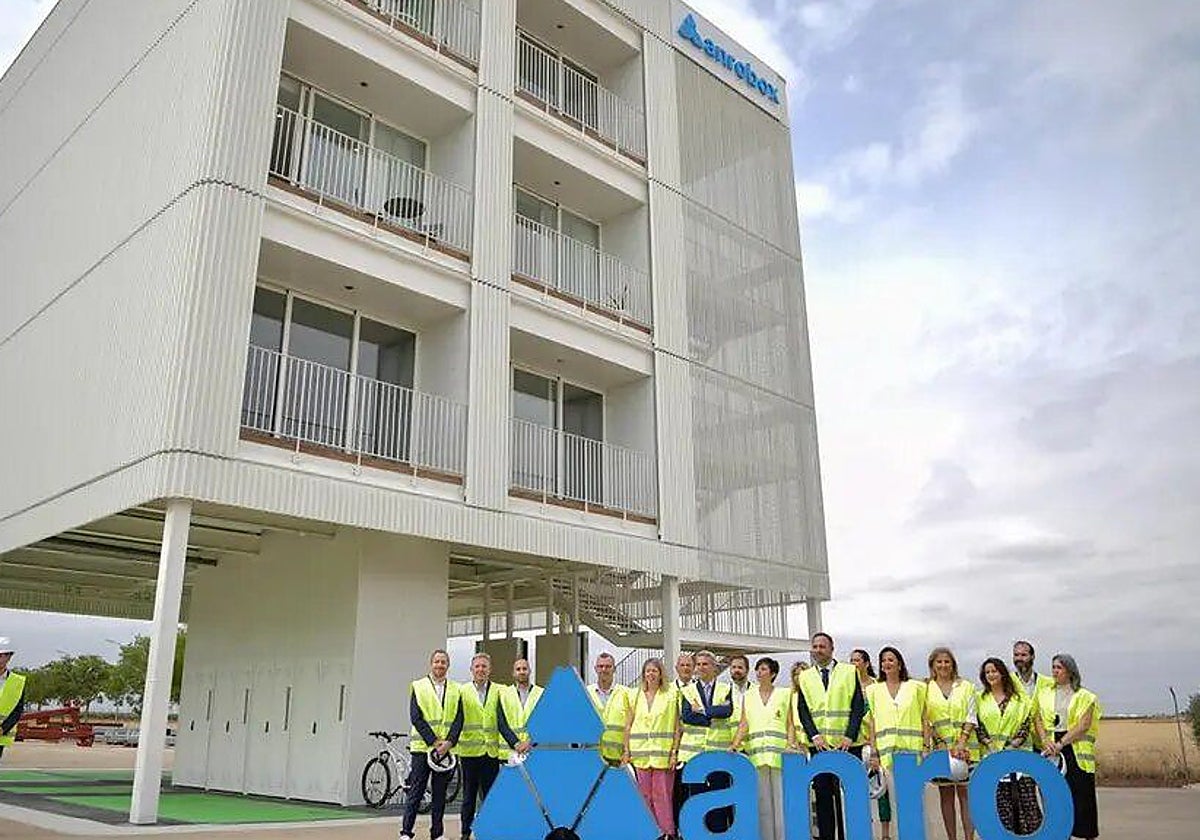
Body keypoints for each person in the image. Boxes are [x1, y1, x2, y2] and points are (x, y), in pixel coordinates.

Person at [796, 632, 867, 840]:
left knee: (850, 796)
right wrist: (814, 735)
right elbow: (803, 710)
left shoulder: (848, 671)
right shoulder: (805, 676)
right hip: (819, 747)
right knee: (824, 797)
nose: (818, 650)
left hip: (848, 746)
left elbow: (857, 706)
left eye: (822, 646)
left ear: (832, 648)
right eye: (815, 646)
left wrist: (850, 736)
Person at [400, 649, 463, 840]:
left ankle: (437, 834)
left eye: (443, 662)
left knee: (439, 795)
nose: (440, 665)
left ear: (448, 665)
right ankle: (406, 832)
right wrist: (434, 742)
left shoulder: (456, 689)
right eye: (436, 661)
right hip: (423, 749)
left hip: (445, 751)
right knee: (416, 792)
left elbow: (459, 719)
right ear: (431, 664)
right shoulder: (418, 686)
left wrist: (449, 742)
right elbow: (416, 717)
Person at [1037, 654, 1101, 840]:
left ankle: (1087, 834)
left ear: (1070, 670)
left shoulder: (1085, 696)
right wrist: (1044, 739)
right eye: (1053, 667)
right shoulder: (1045, 693)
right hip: (1052, 746)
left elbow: (1084, 724)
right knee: (1057, 795)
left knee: (1082, 795)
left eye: (1059, 667)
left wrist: (1062, 743)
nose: (1054, 671)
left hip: (1075, 747)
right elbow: (1038, 718)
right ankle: (1063, 834)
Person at [866, 647, 927, 838]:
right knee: (890, 801)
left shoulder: (916, 687)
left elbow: (925, 718)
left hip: (911, 753)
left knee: (912, 801)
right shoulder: (873, 690)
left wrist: (926, 746)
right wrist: (874, 752)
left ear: (899, 663)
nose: (887, 663)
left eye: (891, 659)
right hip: (886, 755)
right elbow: (872, 722)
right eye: (883, 660)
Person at [977, 657, 1042, 835]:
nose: (991, 675)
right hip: (993, 757)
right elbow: (977, 725)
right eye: (987, 672)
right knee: (1002, 805)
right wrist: (990, 744)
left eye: (994, 671)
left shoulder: (1019, 699)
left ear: (1002, 673)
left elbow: (1027, 722)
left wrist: (1014, 745)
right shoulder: (979, 699)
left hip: (1020, 756)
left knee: (1027, 804)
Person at [731, 657, 788, 840]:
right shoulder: (748, 696)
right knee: (763, 801)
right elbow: (743, 723)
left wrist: (793, 744)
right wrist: (735, 744)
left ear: (772, 674)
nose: (759, 673)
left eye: (763, 669)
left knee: (780, 799)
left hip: (779, 753)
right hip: (757, 754)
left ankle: (783, 836)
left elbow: (791, 723)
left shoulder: (784, 694)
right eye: (758, 669)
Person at [624, 657, 681, 839]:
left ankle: (667, 833)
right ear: (643, 674)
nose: (651, 674)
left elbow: (676, 726)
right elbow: (628, 725)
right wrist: (627, 750)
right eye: (648, 671)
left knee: (662, 796)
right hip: (641, 754)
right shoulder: (635, 695)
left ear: (661, 673)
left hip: (662, 755)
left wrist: (674, 752)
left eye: (654, 671)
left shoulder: (671, 695)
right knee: (644, 797)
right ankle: (648, 832)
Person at [679, 650, 736, 831]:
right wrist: (712, 714)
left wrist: (702, 711)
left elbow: (727, 711)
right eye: (699, 664)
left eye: (705, 664)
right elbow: (687, 716)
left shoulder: (726, 688)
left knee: (719, 797)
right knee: (696, 798)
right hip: (694, 755)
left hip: (719, 753)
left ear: (714, 667)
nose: (701, 668)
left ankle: (719, 832)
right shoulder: (686, 691)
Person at [925, 647, 977, 840]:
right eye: (939, 662)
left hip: (966, 749)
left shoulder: (966, 686)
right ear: (932, 665)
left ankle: (969, 837)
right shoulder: (926, 689)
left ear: (953, 664)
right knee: (946, 796)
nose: (943, 665)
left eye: (947, 661)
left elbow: (971, 715)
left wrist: (961, 743)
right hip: (941, 749)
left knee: (965, 796)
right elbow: (927, 720)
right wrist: (941, 745)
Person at [456, 653, 502, 840]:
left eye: (484, 666)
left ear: (489, 670)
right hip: (469, 754)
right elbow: (457, 720)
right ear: (471, 670)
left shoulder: (498, 691)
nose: (481, 670)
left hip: (490, 753)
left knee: (489, 798)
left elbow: (503, 721)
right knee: (468, 798)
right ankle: (465, 833)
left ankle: (488, 832)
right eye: (477, 667)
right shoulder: (462, 691)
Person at [849, 649, 891, 839]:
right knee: (859, 789)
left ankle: (885, 833)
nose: (853, 664)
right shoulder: (848, 685)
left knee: (882, 789)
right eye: (851, 660)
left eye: (857, 660)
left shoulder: (876, 685)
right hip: (856, 744)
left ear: (866, 663)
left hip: (875, 743)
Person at [588, 652, 630, 767]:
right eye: (600, 666)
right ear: (595, 669)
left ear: (614, 669)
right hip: (592, 756)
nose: (604, 669)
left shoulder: (626, 693)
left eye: (608, 666)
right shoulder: (587, 693)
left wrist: (627, 752)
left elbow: (631, 725)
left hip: (618, 758)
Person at [1012, 640, 1056, 748]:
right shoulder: (1007, 682)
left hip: (1044, 743)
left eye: (1023, 655)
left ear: (1032, 657)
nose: (1019, 658)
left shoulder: (1048, 683)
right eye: (1016, 655)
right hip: (1018, 743)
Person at [497, 659, 542, 761]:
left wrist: (529, 742)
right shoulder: (504, 694)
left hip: (533, 751)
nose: (521, 672)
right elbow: (501, 723)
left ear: (530, 671)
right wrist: (516, 744)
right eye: (518, 669)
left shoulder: (541, 693)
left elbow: (545, 722)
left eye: (524, 669)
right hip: (509, 754)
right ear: (513, 673)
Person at [0, 639, 26, 764]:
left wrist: (3, 728)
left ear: (9, 656)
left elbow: (17, 710)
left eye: (1, 655)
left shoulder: (17, 682)